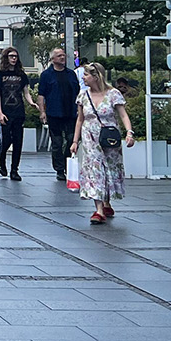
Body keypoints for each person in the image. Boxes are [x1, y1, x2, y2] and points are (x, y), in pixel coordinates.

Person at [71, 61, 135, 224]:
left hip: (109, 137)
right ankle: (99, 210)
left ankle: (106, 201)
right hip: (89, 138)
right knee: (95, 170)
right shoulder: (83, 96)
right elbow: (80, 119)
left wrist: (129, 132)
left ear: (96, 76)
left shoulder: (113, 94)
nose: (83, 78)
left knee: (110, 169)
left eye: (86, 75)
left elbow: (123, 115)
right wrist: (75, 141)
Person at [35, 47, 81, 183]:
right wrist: (42, 112)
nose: (62, 58)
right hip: (54, 113)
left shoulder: (71, 74)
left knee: (72, 139)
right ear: (53, 59)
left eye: (64, 55)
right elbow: (41, 95)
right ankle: (59, 170)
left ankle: (67, 163)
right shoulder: (46, 75)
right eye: (59, 56)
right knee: (57, 142)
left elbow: (78, 93)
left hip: (71, 113)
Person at [0, 48, 33, 181]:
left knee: (18, 140)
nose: (14, 59)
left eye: (15, 56)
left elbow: (26, 91)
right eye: (11, 56)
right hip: (6, 111)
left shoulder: (21, 74)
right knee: (6, 140)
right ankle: (1, 157)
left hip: (18, 111)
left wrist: (31, 102)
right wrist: (0, 112)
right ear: (6, 58)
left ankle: (14, 169)